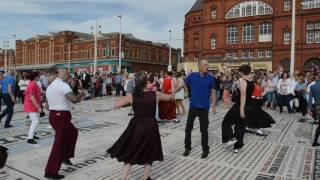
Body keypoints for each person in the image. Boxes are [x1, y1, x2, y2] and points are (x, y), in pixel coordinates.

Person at [107, 71, 174, 180]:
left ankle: (123, 177)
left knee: (132, 150)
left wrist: (130, 101)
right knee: (150, 150)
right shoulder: (155, 94)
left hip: (136, 125)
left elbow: (116, 105)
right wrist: (174, 88)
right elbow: (170, 98)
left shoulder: (133, 96)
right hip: (151, 126)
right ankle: (145, 177)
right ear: (146, 82)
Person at [44, 69, 85, 179]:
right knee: (58, 145)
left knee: (73, 132)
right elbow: (74, 99)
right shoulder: (63, 86)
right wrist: (82, 93)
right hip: (60, 117)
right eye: (69, 76)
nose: (70, 77)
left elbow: (47, 106)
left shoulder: (51, 86)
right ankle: (50, 172)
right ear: (66, 76)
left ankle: (65, 156)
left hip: (54, 116)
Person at [175, 59, 216, 159]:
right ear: (200, 66)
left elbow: (213, 92)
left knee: (204, 130)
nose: (207, 66)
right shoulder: (192, 76)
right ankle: (187, 147)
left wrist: (214, 105)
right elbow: (181, 85)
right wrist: (173, 92)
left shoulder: (211, 78)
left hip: (204, 108)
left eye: (207, 64)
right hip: (193, 107)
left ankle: (205, 149)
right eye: (205, 65)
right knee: (188, 128)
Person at [221, 65, 254, 153]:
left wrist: (241, 109)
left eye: (240, 72)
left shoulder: (242, 81)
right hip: (249, 106)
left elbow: (243, 95)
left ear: (241, 72)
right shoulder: (251, 82)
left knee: (226, 122)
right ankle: (237, 147)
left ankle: (230, 138)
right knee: (240, 126)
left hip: (240, 106)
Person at [24, 72, 42, 144]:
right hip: (31, 106)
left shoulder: (34, 84)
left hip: (32, 105)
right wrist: (38, 107)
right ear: (35, 77)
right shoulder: (32, 85)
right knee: (35, 121)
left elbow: (36, 93)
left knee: (33, 121)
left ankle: (33, 135)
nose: (39, 77)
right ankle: (30, 138)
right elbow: (32, 97)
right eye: (38, 76)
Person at [308, 73, 320, 146]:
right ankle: (315, 142)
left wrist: (309, 109)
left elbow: (310, 99)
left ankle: (315, 142)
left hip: (317, 106)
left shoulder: (312, 86)